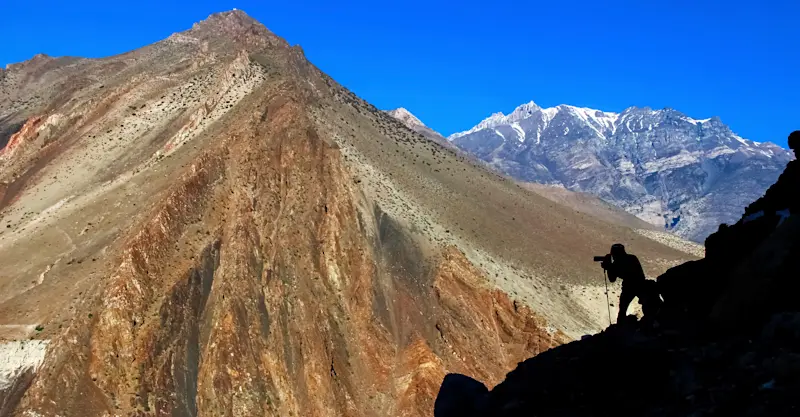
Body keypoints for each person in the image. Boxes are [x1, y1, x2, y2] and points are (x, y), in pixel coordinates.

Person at [601, 243, 648, 323]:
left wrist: (609, 267)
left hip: (631, 286)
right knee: (647, 304)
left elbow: (612, 279)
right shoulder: (632, 258)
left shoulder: (617, 264)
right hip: (640, 285)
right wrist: (610, 267)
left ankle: (620, 326)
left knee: (622, 309)